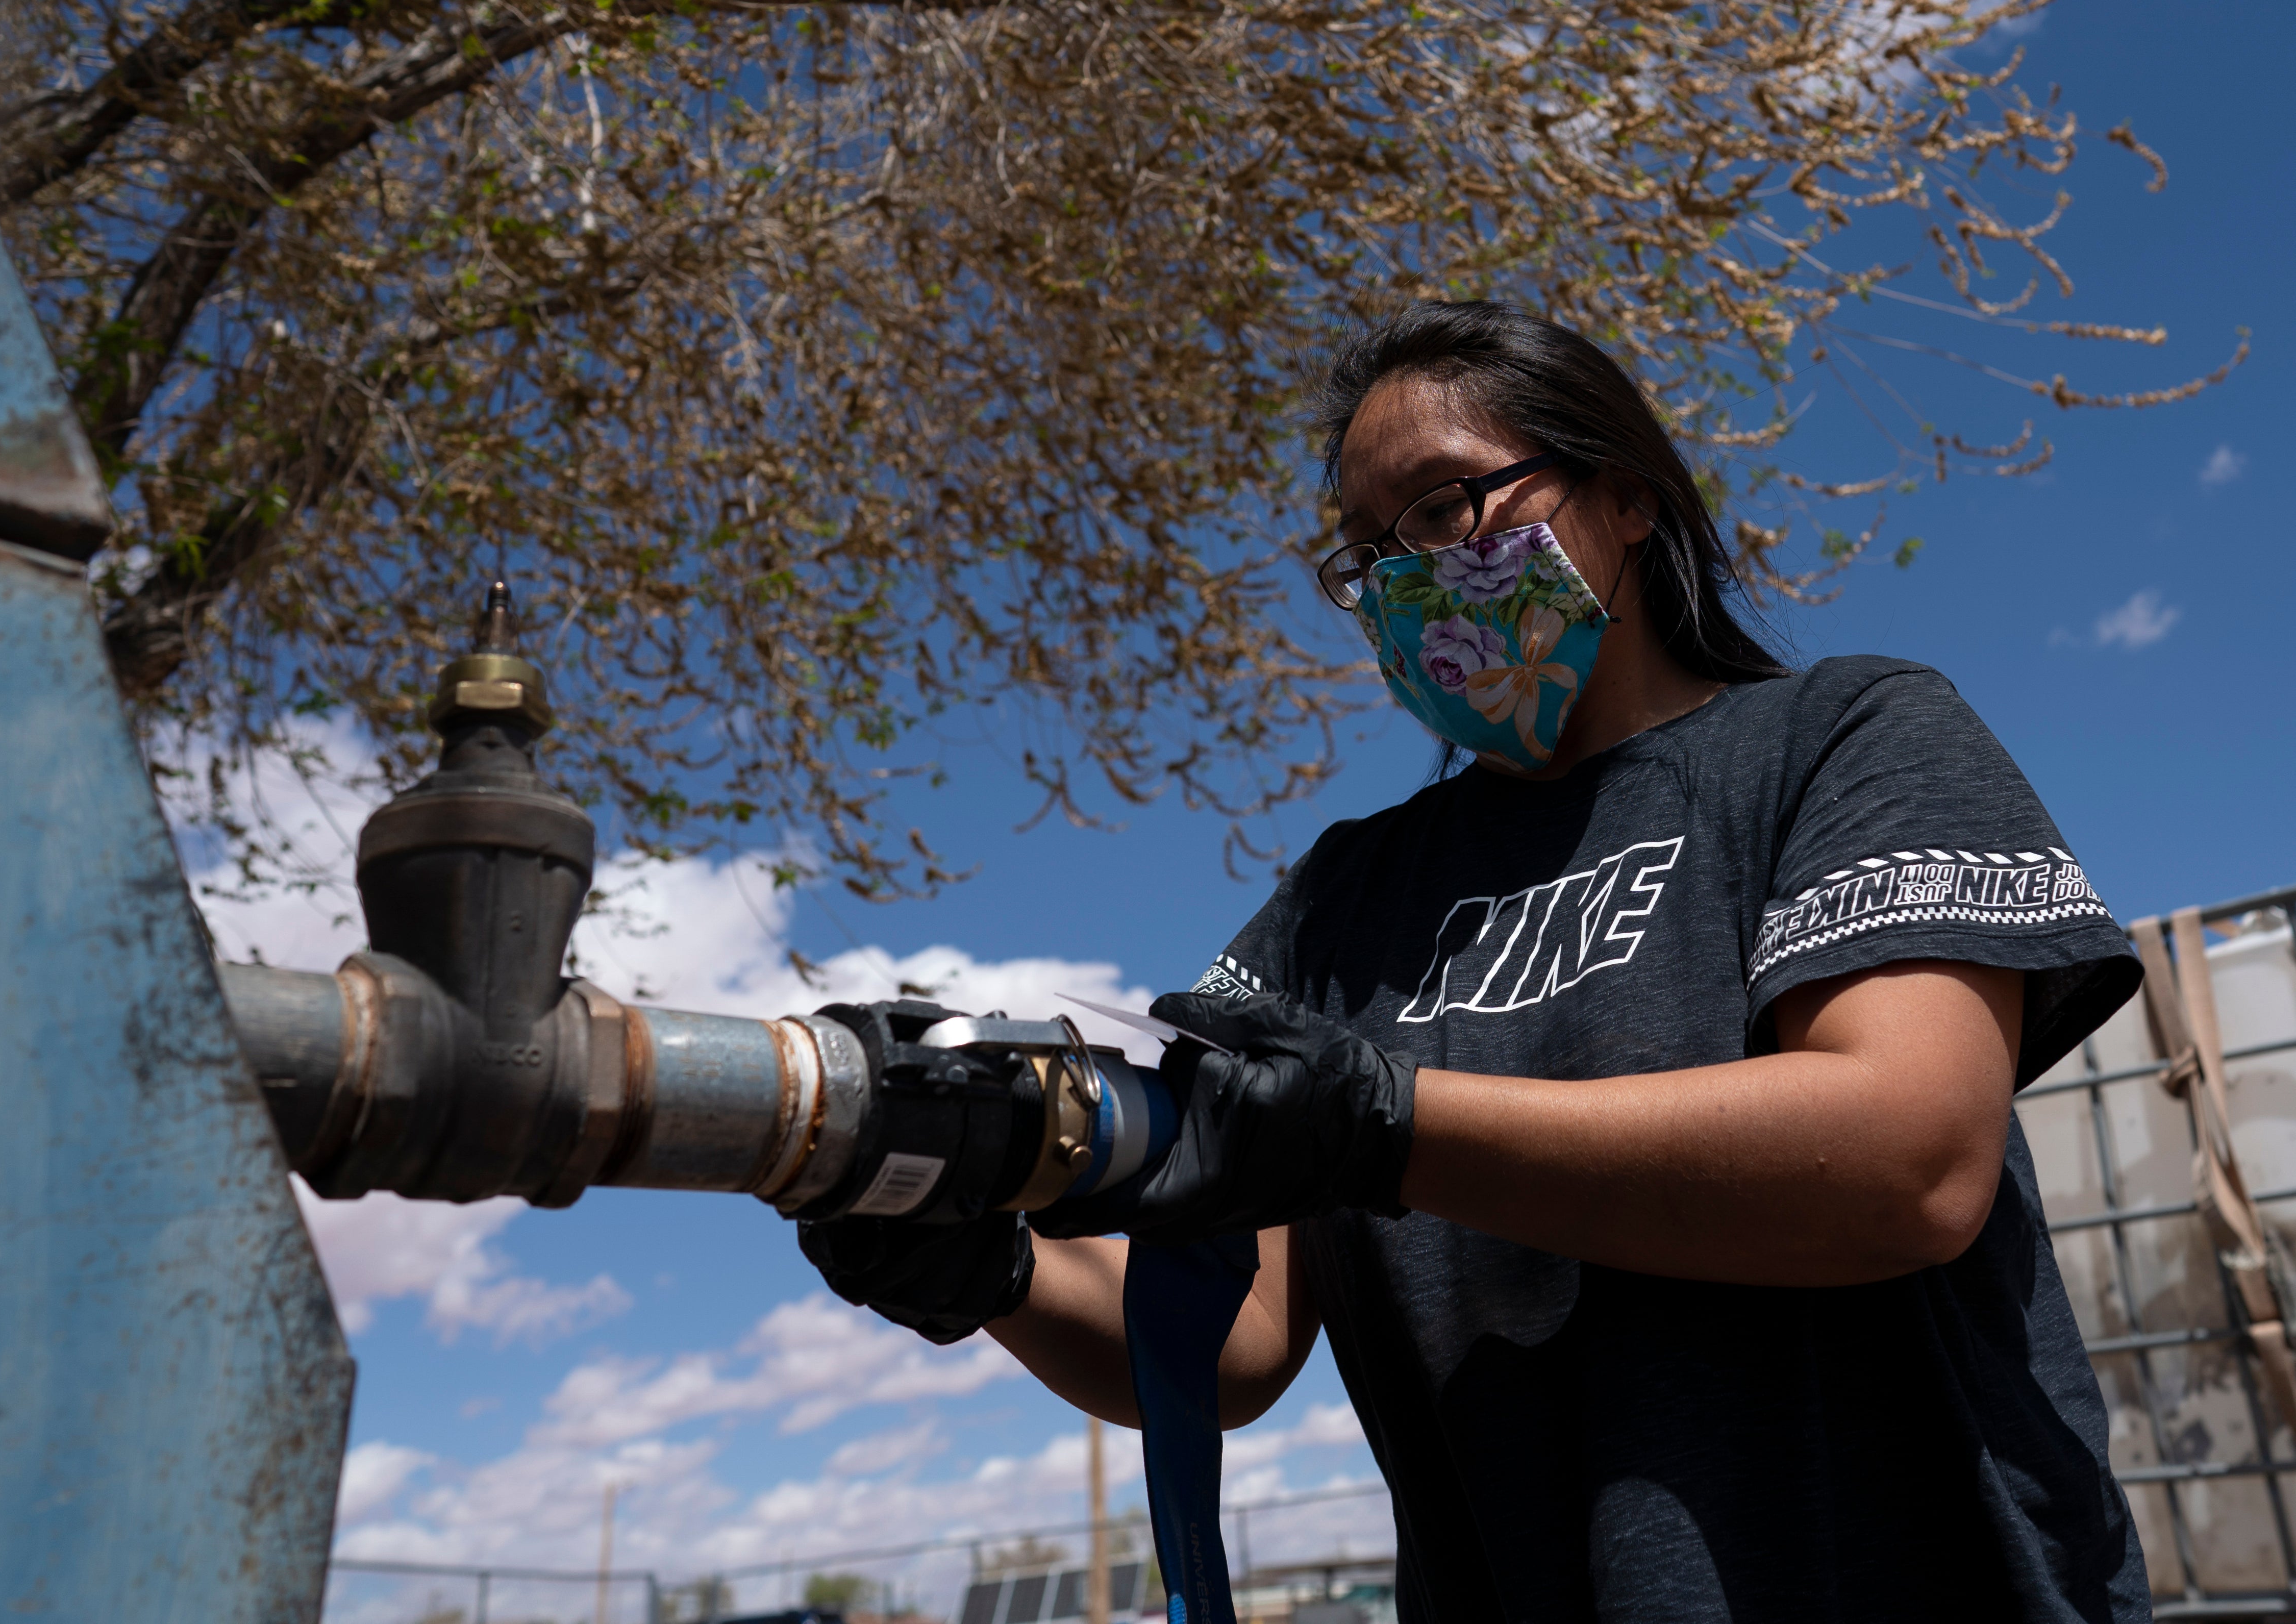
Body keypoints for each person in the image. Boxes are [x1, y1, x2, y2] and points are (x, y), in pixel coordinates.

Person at [800, 301, 2149, 1622]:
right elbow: (1243, 1335)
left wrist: (1387, 1127)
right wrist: (988, 1272)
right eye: (1365, 551)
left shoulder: (1843, 740)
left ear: (1630, 500)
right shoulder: (1339, 904)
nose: (1408, 575)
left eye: (1447, 508)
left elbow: (1907, 1165)